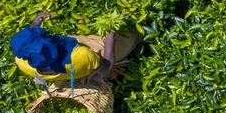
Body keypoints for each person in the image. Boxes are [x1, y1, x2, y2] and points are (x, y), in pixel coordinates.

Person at [11, 13, 139, 90]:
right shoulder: (82, 56)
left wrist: (35, 24)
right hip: (91, 63)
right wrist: (110, 40)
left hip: (72, 67)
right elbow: (106, 70)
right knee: (131, 35)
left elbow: (29, 46)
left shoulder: (23, 63)